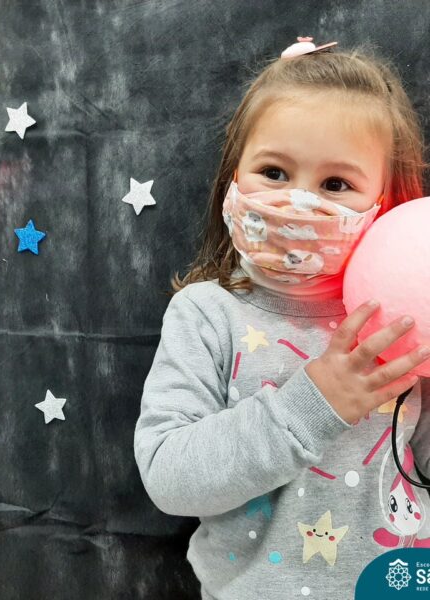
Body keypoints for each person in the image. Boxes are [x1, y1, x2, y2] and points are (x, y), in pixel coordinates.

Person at [133, 36, 430, 599]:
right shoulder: (206, 314)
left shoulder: (400, 317)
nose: (299, 202)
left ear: (387, 201)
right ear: (233, 176)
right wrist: (314, 404)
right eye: (273, 172)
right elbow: (168, 477)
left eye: (336, 184)